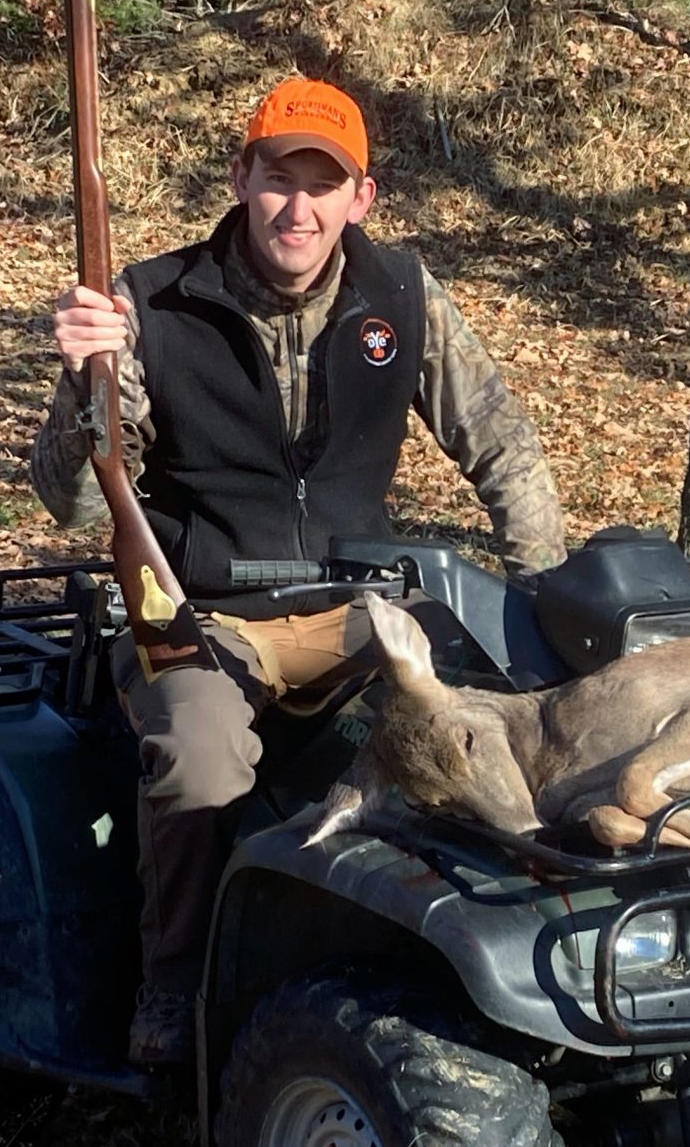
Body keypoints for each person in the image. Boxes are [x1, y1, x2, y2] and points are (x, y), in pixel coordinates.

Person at [30, 77, 567, 1065]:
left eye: (325, 185)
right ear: (242, 178)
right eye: (280, 178)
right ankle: (175, 990)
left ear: (361, 197)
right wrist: (83, 389)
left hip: (358, 610)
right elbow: (71, 503)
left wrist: (549, 591)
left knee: (487, 721)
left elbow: (499, 440)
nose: (299, 208)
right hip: (200, 610)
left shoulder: (401, 294)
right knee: (199, 754)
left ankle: (515, 963)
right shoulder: (149, 301)